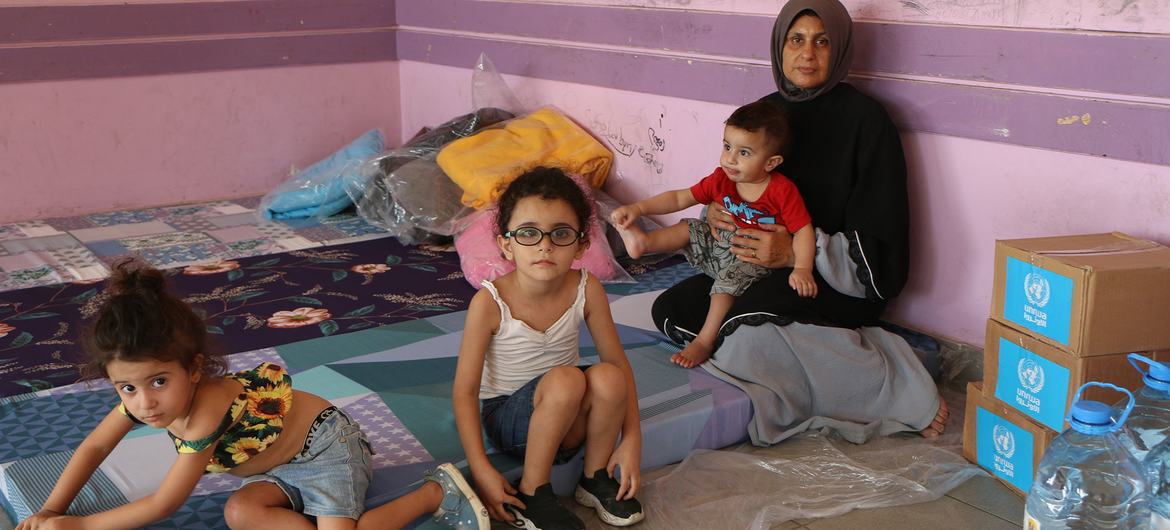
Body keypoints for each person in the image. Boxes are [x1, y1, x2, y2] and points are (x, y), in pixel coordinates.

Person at [650, 0, 948, 437]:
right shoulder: (765, 115)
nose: (807, 54)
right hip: (751, 272)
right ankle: (804, 370)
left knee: (744, 335)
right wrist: (715, 212)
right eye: (797, 39)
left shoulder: (867, 122)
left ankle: (895, 385)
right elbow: (730, 182)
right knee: (674, 309)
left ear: (840, 49)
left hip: (831, 279)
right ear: (779, 46)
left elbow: (881, 242)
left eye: (822, 41)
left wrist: (794, 252)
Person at [16, 259, 488, 530]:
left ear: (194, 368)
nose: (144, 403)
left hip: (327, 449)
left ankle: (432, 493)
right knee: (240, 511)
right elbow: (95, 446)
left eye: (158, 381)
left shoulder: (204, 415)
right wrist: (53, 508)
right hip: (279, 465)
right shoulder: (144, 398)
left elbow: (164, 505)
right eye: (128, 388)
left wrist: (77, 526)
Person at [451, 167, 645, 530]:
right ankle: (532, 492)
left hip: (568, 420)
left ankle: (594, 477)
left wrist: (632, 439)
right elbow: (464, 392)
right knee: (568, 380)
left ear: (582, 244)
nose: (545, 245)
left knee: (609, 376)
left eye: (560, 233)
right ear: (506, 243)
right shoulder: (490, 302)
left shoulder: (587, 288)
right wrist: (481, 468)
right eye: (528, 233)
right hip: (509, 421)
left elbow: (617, 362)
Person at [610, 101, 816, 369]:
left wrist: (802, 267)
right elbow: (680, 197)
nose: (730, 158)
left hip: (753, 259)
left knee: (723, 287)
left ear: (771, 162)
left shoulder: (781, 191)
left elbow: (803, 230)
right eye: (727, 146)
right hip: (721, 248)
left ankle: (705, 340)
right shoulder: (722, 179)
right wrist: (639, 208)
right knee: (690, 227)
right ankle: (644, 242)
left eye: (744, 152)